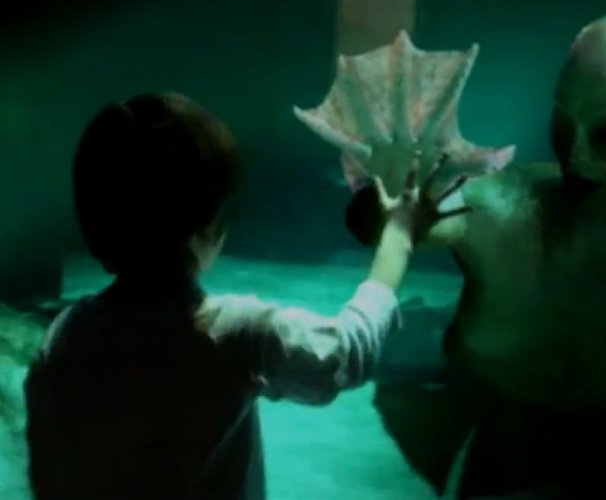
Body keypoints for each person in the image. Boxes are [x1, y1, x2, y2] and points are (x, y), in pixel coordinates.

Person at [299, 13, 606, 498]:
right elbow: (385, 223)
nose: (574, 151)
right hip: (494, 434)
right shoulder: (498, 207)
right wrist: (383, 195)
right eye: (563, 119)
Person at [23, 91, 468, 500]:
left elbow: (47, 471)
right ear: (209, 227)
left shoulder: (65, 339)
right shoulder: (236, 334)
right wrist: (398, 235)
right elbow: (345, 352)